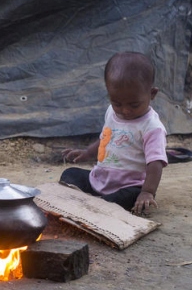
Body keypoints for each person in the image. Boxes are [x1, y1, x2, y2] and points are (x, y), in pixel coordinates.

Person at [60, 51, 167, 215]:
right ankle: (97, 202)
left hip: (129, 185)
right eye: (117, 103)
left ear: (152, 94)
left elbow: (155, 164)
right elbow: (106, 138)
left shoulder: (152, 127)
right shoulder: (111, 112)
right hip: (100, 179)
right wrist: (88, 152)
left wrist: (148, 192)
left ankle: (98, 204)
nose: (125, 110)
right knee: (69, 174)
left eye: (134, 105)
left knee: (128, 197)